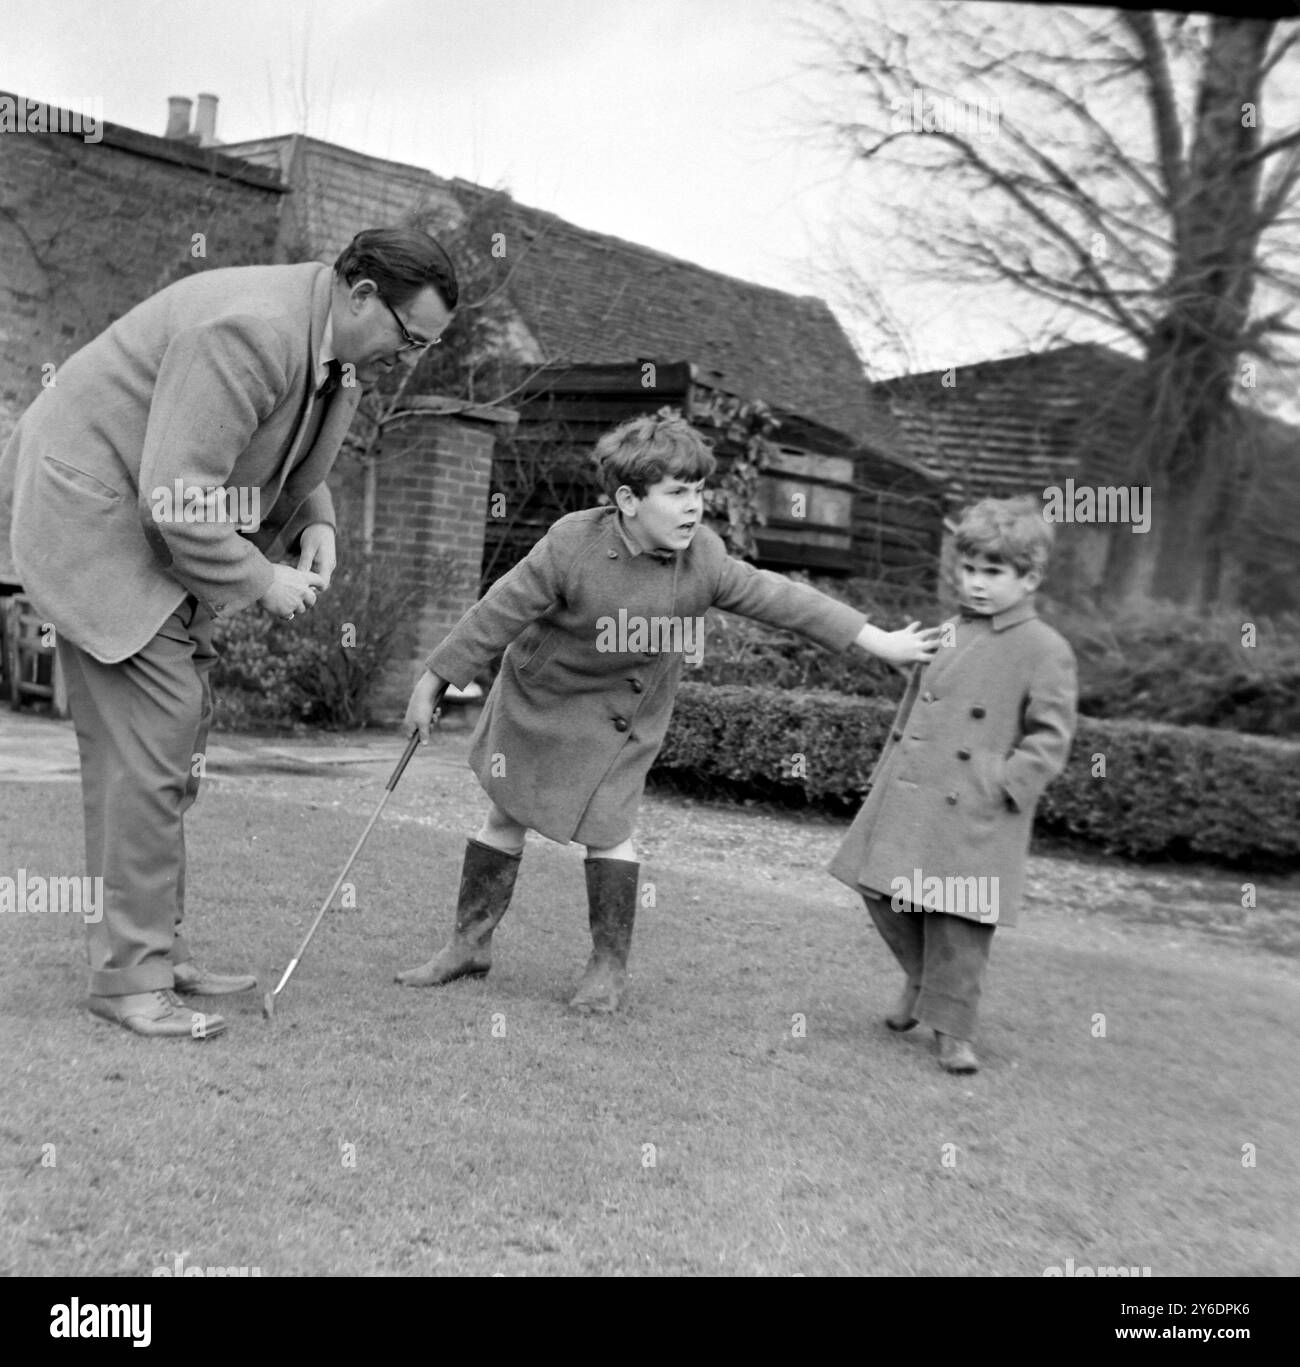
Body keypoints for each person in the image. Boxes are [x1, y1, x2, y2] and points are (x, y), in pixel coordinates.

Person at [0, 227, 458, 1039]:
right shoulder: (253, 329)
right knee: (148, 751)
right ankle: (128, 982)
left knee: (176, 743)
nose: (409, 357)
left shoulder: (329, 344)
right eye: (408, 336)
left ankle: (155, 950)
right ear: (360, 295)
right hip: (96, 516)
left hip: (146, 525)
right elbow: (175, 497)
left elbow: (267, 438)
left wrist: (316, 516)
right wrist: (260, 579)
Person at [397, 412, 942, 1013]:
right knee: (505, 818)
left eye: (699, 491)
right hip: (542, 699)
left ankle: (607, 969)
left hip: (622, 721)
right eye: (677, 493)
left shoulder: (702, 559)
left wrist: (880, 639)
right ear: (628, 499)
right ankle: (468, 945)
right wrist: (434, 680)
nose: (694, 507)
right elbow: (498, 611)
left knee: (610, 835)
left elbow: (781, 598)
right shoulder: (571, 542)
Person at [827, 495, 1077, 1073]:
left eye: (994, 572)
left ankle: (953, 1031)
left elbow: (1051, 738)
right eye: (969, 569)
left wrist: (1004, 784)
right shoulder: (948, 632)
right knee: (880, 891)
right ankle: (920, 981)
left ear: (1030, 578)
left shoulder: (1045, 649)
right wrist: (887, 772)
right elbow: (914, 708)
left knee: (959, 922)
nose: (977, 583)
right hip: (914, 790)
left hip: (978, 805)